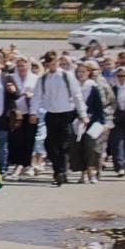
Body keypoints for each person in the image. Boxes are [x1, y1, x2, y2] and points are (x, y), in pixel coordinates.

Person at [36, 54, 83, 187]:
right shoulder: (44, 78)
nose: (51, 66)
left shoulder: (67, 76)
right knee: (50, 144)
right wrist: (34, 112)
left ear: (57, 62)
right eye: (48, 64)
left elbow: (76, 94)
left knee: (64, 144)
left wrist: (82, 113)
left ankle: (61, 172)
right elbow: (37, 96)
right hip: (51, 113)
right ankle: (59, 170)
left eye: (53, 63)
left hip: (66, 113)